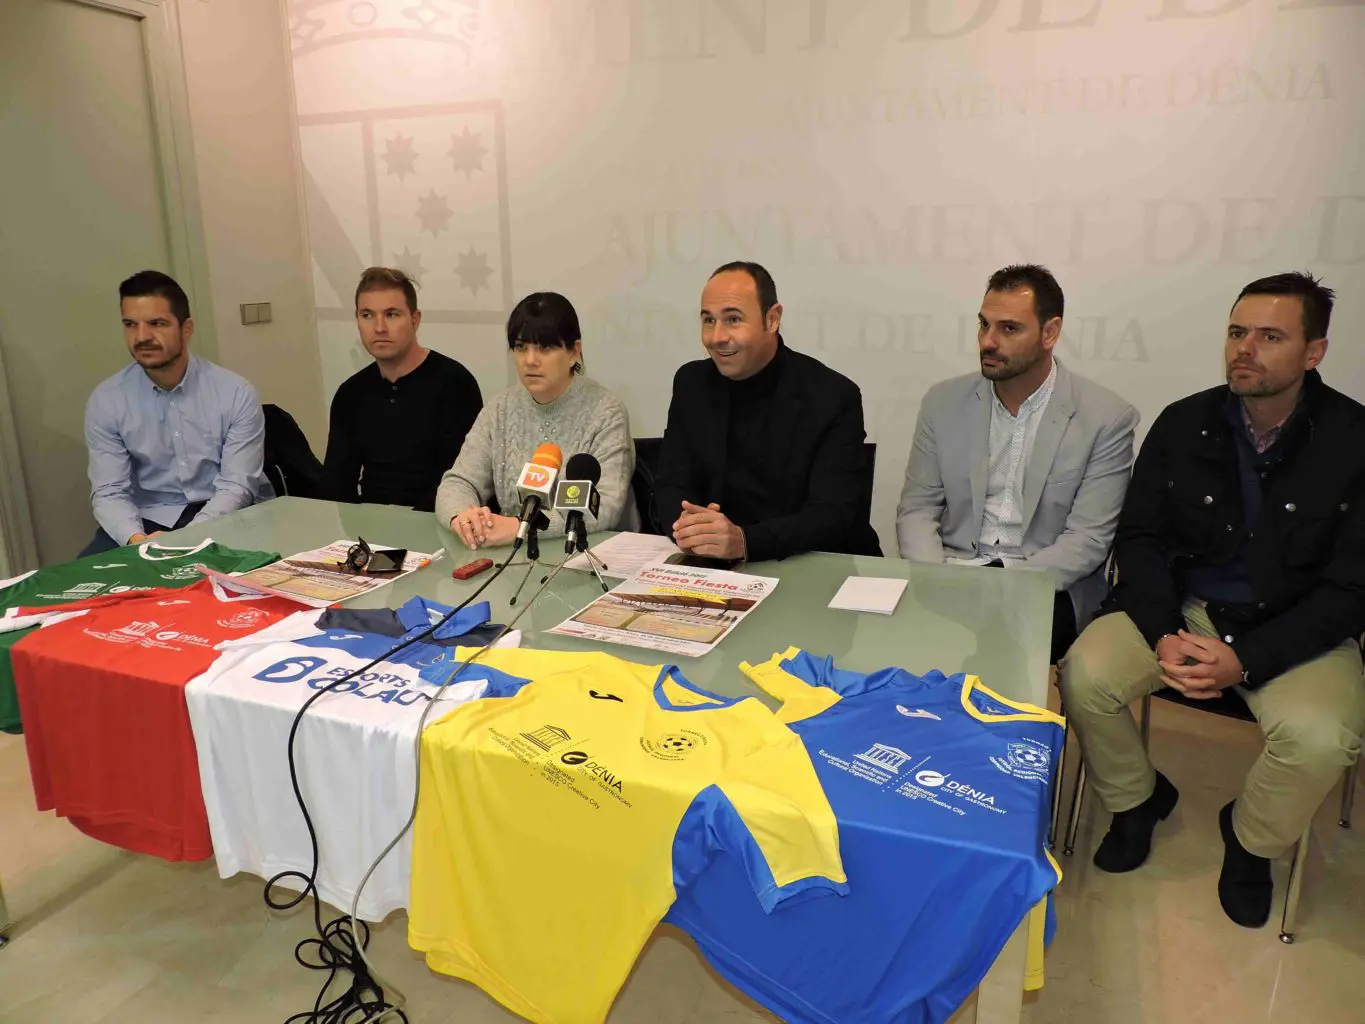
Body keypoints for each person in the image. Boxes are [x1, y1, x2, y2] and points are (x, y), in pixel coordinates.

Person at [1059, 272, 1365, 930]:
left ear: (1313, 352)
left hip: (1297, 627)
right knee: (1083, 674)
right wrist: (1162, 630)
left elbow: (1351, 589)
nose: (1244, 348)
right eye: (1236, 332)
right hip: (1185, 608)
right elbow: (1139, 540)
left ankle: (1250, 840)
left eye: (1270, 336)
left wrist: (1245, 659)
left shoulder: (1354, 440)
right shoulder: (1184, 422)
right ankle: (1136, 799)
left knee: (1321, 739)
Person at [896, 264, 1138, 663]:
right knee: (883, 645)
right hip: (952, 573)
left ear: (1050, 332)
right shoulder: (942, 402)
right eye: (984, 325)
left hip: (1045, 585)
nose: (988, 341)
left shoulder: (1105, 417)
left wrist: (999, 588)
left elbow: (1088, 540)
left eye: (1009, 329)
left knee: (995, 655)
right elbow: (917, 510)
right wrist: (938, 577)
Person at [653, 261, 881, 562]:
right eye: (708, 320)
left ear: (772, 319)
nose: (716, 336)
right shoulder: (691, 383)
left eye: (733, 319)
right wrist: (689, 528)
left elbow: (832, 513)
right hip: (714, 567)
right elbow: (671, 482)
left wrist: (744, 542)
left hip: (811, 565)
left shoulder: (832, 396)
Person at [81, 270, 272, 556]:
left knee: (237, 578)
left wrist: (187, 538)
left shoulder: (234, 392)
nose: (142, 337)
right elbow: (109, 491)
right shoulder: (107, 400)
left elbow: (236, 486)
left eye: (157, 324)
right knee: (85, 579)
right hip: (146, 519)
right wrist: (136, 540)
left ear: (187, 328)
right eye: (131, 324)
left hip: (223, 514)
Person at [435, 292, 637, 547]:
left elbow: (605, 508)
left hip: (591, 554)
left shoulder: (606, 411)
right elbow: (458, 482)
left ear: (574, 352)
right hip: (515, 555)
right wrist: (463, 518)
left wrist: (522, 526)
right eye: (521, 348)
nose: (530, 360)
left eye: (545, 348)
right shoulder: (500, 408)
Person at [322, 267, 482, 511]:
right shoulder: (351, 394)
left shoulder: (455, 384)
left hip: (439, 520)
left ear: (415, 320)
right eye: (367, 315)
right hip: (371, 524)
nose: (379, 327)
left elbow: (464, 480)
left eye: (392, 314)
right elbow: (337, 485)